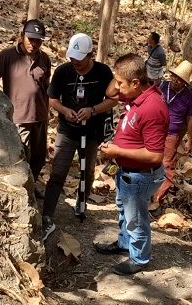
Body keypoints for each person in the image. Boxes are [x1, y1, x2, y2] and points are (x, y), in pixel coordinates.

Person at [96, 53, 169, 275]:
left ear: (135, 83)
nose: (117, 87)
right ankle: (124, 244)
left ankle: (139, 259)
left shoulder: (152, 108)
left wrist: (118, 151)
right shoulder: (136, 95)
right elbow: (109, 93)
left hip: (140, 175)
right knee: (124, 211)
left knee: (136, 220)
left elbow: (155, 156)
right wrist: (121, 70)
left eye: (121, 82)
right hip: (126, 172)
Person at [41, 33, 117, 241]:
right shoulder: (64, 72)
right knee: (58, 171)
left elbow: (113, 99)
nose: (75, 63)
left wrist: (93, 110)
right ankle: (47, 215)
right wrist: (65, 111)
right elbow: (52, 99)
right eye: (72, 58)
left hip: (91, 132)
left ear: (90, 55)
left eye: (79, 59)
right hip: (67, 131)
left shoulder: (102, 72)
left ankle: (81, 203)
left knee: (88, 170)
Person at [0, 19, 51, 197]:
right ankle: (22, 190)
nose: (34, 43)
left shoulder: (44, 59)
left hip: (40, 116)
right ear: (22, 36)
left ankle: (33, 184)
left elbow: (46, 86)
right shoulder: (7, 56)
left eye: (38, 40)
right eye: (30, 39)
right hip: (18, 117)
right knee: (22, 155)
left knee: (39, 156)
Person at [151, 60, 192, 216]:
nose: (176, 80)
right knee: (147, 162)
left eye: (180, 79)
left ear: (185, 83)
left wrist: (189, 139)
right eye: (175, 77)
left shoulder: (189, 97)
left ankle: (157, 201)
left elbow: (190, 119)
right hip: (154, 131)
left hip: (171, 135)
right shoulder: (161, 86)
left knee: (167, 167)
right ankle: (142, 196)